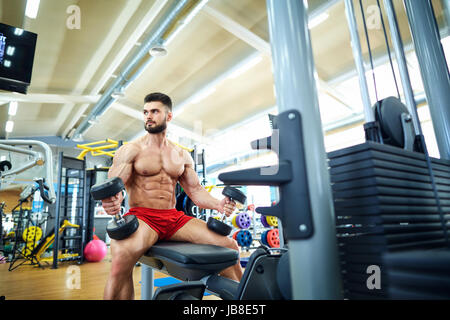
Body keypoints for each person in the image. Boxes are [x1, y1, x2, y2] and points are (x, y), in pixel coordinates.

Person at [101, 92, 243, 300]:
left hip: (174, 218)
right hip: (143, 218)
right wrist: (112, 200)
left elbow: (195, 191)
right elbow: (115, 184)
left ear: (168, 117)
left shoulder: (181, 155)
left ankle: (245, 301)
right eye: (146, 112)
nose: (148, 116)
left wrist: (219, 205)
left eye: (154, 111)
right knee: (121, 259)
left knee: (229, 246)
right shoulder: (131, 150)